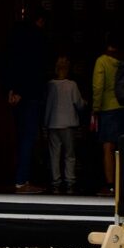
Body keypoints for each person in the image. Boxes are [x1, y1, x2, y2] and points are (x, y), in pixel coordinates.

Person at [1, 8, 51, 192]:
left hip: (15, 94)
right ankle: (22, 180)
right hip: (30, 94)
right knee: (28, 137)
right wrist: (22, 91)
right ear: (40, 21)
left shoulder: (14, 36)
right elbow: (34, 68)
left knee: (21, 136)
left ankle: (21, 178)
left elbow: (8, 63)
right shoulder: (36, 38)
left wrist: (11, 90)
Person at [42, 55, 86, 194]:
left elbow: (45, 103)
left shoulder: (49, 85)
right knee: (69, 155)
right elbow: (79, 104)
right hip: (68, 123)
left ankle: (55, 182)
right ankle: (70, 181)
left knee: (54, 154)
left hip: (52, 123)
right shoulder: (72, 85)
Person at [90, 37, 124, 189]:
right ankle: (122, 183)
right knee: (122, 147)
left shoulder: (102, 61)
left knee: (107, 147)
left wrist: (95, 108)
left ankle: (110, 183)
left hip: (107, 108)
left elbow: (98, 86)